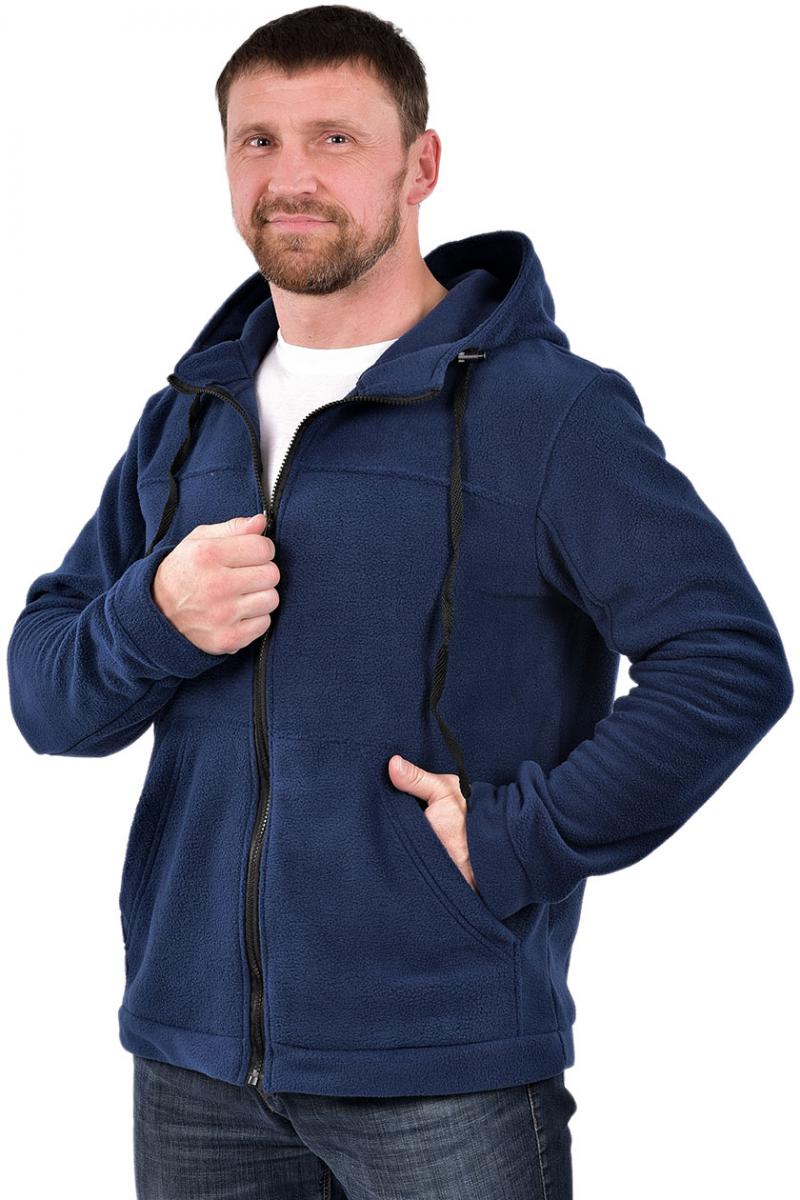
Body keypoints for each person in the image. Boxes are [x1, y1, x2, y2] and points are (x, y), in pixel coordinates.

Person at [6, 6, 793, 1198]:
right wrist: (152, 617)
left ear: (419, 165)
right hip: (192, 1064)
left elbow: (726, 660)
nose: (290, 177)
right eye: (258, 141)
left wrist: (518, 839)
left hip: (444, 1069)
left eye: (334, 139)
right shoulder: (189, 416)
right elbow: (46, 695)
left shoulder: (547, 412)